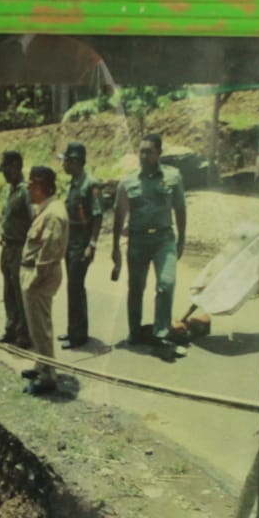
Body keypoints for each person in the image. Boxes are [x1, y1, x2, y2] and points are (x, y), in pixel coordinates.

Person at [111, 133, 187, 361]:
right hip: (137, 241)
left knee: (166, 284)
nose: (143, 156)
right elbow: (118, 216)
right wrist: (115, 248)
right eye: (141, 151)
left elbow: (181, 209)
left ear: (159, 153)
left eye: (149, 151)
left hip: (164, 240)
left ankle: (161, 336)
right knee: (136, 287)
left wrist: (182, 239)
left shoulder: (173, 177)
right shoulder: (128, 181)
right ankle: (134, 332)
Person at [19, 166, 69, 396]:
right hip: (35, 273)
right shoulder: (45, 208)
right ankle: (41, 364)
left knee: (41, 327)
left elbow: (49, 251)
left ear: (41, 185)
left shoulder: (54, 213)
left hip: (41, 275)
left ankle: (48, 375)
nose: (28, 187)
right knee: (36, 325)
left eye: (31, 183)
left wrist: (35, 280)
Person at [58, 141, 103, 350]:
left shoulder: (89, 184)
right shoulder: (74, 182)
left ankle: (78, 336)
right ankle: (73, 329)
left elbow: (97, 216)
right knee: (72, 286)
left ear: (75, 161)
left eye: (65, 160)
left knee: (75, 286)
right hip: (71, 239)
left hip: (81, 241)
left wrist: (91, 245)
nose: (63, 164)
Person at [0, 150, 32, 348]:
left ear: (17, 166)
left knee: (20, 293)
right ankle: (11, 328)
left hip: (20, 247)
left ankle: (24, 333)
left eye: (7, 169)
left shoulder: (25, 191)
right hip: (7, 247)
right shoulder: (9, 190)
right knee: (8, 291)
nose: (5, 174)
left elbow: (34, 221)